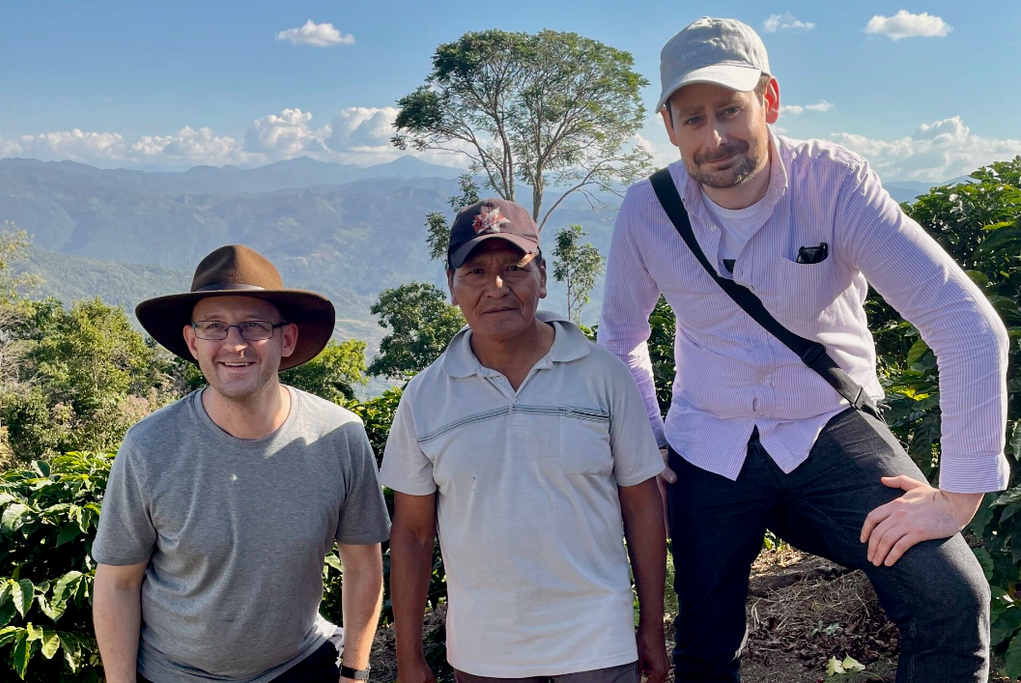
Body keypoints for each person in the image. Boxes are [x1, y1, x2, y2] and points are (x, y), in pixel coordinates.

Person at [598, 16, 1009, 683]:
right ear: (668, 126)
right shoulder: (648, 211)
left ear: (770, 100)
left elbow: (964, 323)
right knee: (705, 645)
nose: (716, 137)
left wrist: (958, 494)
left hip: (826, 423)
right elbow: (621, 338)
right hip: (708, 440)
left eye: (731, 109)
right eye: (693, 118)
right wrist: (651, 443)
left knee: (949, 597)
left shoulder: (834, 184)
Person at [381, 199, 669, 683]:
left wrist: (653, 629)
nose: (497, 288)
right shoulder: (425, 396)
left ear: (543, 276)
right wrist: (409, 656)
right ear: (451, 286)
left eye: (514, 268)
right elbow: (411, 534)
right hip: (485, 654)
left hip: (598, 642)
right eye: (475, 271)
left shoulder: (603, 376)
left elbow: (642, 506)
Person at [92, 244, 391, 683]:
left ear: (285, 339)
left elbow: (364, 563)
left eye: (253, 326)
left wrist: (355, 672)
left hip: (299, 666)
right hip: (174, 674)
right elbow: (118, 582)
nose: (234, 344)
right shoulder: (150, 447)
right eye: (214, 327)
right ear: (193, 342)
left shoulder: (339, 436)